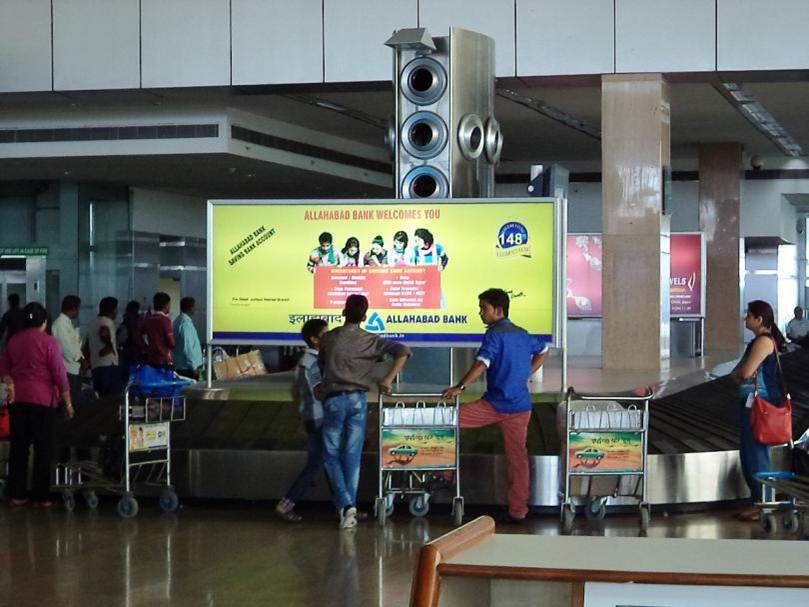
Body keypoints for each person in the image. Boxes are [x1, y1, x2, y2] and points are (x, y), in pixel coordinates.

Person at [442, 288, 549, 523]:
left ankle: (444, 474)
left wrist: (459, 387)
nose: (480, 313)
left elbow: (482, 364)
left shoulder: (494, 334)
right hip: (520, 407)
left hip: (492, 406)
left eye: (484, 308)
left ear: (498, 310)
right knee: (518, 458)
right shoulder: (522, 334)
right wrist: (527, 373)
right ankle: (518, 511)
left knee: (447, 422)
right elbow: (543, 350)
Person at [318, 294, 411, 528]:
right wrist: (388, 379)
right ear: (365, 315)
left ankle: (346, 506)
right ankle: (348, 510)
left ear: (343, 311)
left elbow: (322, 368)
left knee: (330, 454)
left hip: (334, 400)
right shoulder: (371, 340)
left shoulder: (329, 338)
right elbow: (403, 350)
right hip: (358, 401)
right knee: (352, 457)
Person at [0, 302, 73, 508]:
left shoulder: (14, 340)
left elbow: (4, 365)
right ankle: (41, 496)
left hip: (19, 400)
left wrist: (9, 382)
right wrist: (67, 403)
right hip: (43, 401)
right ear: (45, 322)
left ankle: (17, 494)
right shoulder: (49, 342)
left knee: (19, 448)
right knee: (43, 449)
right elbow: (59, 373)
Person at [729, 300, 787, 521]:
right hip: (751, 404)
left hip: (760, 405)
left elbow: (744, 373)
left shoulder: (763, 342)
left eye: (749, 316)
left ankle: (765, 502)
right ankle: (758, 500)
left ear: (759, 319)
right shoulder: (757, 342)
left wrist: (737, 375)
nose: (746, 319)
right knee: (749, 452)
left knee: (757, 453)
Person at [275, 318, 329, 523]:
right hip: (319, 416)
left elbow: (295, 391)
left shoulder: (305, 361)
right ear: (315, 340)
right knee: (319, 464)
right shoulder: (313, 362)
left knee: (323, 462)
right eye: (325, 334)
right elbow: (319, 390)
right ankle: (287, 503)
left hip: (310, 415)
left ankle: (344, 506)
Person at [51, 295, 85, 404]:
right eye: (78, 308)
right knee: (70, 401)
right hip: (68, 370)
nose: (78, 311)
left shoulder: (67, 323)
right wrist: (81, 359)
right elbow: (67, 349)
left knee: (75, 400)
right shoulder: (60, 324)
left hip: (74, 369)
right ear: (73, 308)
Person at [86, 296, 122, 397]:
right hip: (109, 366)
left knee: (101, 398)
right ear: (113, 310)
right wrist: (109, 346)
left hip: (96, 366)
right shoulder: (107, 322)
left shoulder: (92, 323)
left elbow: (87, 344)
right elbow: (103, 332)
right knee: (112, 399)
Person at [141, 292, 175, 368]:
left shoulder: (148, 320)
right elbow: (172, 344)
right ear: (166, 305)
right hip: (164, 359)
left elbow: (140, 335)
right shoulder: (165, 320)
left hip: (151, 358)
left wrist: (148, 348)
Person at [173, 297, 203, 379]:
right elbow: (187, 347)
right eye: (194, 306)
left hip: (182, 365)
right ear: (191, 307)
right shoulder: (185, 324)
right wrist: (193, 367)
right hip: (187, 368)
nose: (195, 308)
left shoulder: (178, 320)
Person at [118, 300, 144, 370]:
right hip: (135, 350)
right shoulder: (136, 320)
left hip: (124, 349)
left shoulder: (125, 319)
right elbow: (135, 336)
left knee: (126, 372)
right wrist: (143, 348)